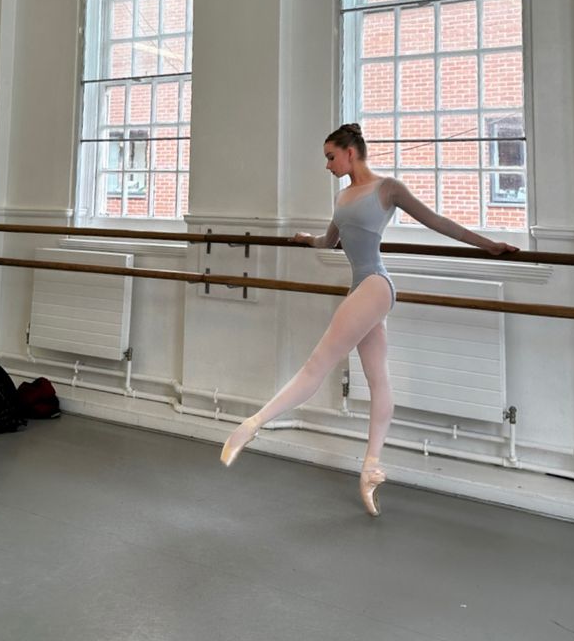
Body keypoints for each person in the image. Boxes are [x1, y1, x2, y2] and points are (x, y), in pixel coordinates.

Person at [220, 123, 518, 516]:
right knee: (378, 379)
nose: (327, 166)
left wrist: (489, 245)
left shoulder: (387, 189)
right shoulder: (343, 196)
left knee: (316, 366)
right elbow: (330, 242)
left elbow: (438, 223)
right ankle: (371, 468)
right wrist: (305, 240)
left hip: (376, 285)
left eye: (330, 157)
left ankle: (252, 425)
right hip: (360, 287)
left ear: (350, 152)